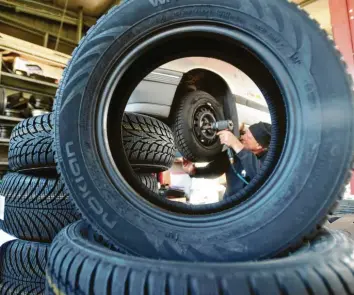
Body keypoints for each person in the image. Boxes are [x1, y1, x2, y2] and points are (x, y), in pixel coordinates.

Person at [182, 122, 272, 199]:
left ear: (259, 146)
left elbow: (260, 175)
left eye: (248, 136)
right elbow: (215, 170)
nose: (243, 137)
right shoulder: (234, 152)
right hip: (228, 203)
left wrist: (236, 144)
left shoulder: (269, 162)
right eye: (245, 133)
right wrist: (195, 172)